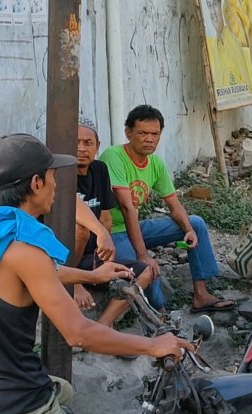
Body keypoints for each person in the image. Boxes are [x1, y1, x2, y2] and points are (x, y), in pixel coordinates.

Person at [0, 134, 194, 414]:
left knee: (65, 391)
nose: (58, 185)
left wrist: (91, 276)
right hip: (12, 412)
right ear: (36, 184)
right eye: (52, 177)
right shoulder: (25, 250)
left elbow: (24, 278)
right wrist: (154, 345)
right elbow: (78, 333)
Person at [99, 105, 235, 313]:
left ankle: (201, 294)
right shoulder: (113, 156)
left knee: (196, 223)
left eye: (155, 134)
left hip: (135, 228)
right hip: (112, 233)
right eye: (142, 133)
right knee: (144, 267)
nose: (149, 139)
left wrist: (188, 229)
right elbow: (126, 207)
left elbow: (173, 203)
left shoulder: (155, 164)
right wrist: (143, 254)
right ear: (128, 133)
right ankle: (161, 315)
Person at [74, 117, 155, 327]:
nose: (82, 148)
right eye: (76, 143)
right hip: (66, 256)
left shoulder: (99, 170)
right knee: (80, 229)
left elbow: (106, 217)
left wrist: (105, 255)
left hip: (93, 255)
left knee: (145, 272)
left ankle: (102, 325)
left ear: (97, 146)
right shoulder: (62, 174)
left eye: (88, 143)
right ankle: (73, 282)